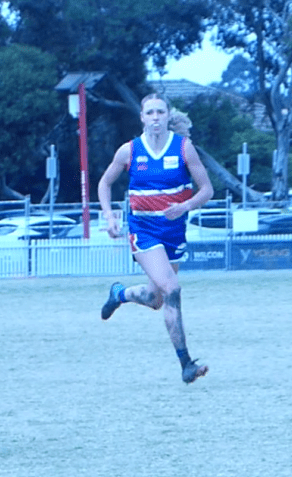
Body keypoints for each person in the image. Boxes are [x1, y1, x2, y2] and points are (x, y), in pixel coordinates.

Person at [96, 94, 214, 384]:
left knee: (155, 298)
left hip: (173, 232)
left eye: (160, 111)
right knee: (172, 288)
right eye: (150, 113)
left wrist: (185, 206)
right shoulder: (130, 151)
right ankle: (186, 363)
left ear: (168, 115)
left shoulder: (184, 149)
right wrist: (110, 217)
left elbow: (207, 190)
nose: (156, 117)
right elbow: (104, 183)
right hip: (144, 231)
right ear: (142, 118)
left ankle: (119, 294)